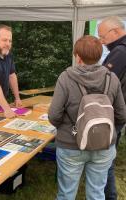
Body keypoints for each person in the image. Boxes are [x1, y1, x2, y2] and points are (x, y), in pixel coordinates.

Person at [48, 35, 126, 200]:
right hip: (104, 145)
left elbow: (54, 116)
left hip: (71, 144)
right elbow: (122, 115)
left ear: (78, 56)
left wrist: (70, 128)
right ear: (99, 56)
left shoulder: (66, 77)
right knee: (97, 193)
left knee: (66, 194)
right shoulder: (111, 78)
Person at [98, 16, 126, 200]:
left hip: (112, 114)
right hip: (120, 113)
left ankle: (110, 196)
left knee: (104, 161)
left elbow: (102, 81)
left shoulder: (120, 52)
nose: (101, 41)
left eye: (102, 37)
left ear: (115, 32)